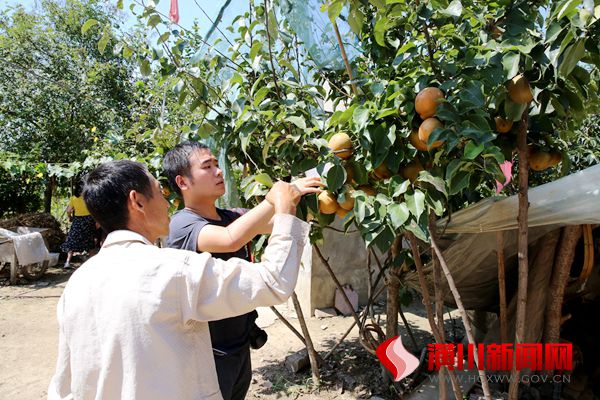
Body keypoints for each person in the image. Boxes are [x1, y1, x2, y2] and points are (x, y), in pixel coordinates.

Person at [48, 159, 313, 400]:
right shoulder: (170, 270)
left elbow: (65, 383)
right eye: (159, 193)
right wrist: (284, 208)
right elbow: (272, 282)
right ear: (137, 201)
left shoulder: (78, 282)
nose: (166, 203)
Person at [162, 142, 321, 400]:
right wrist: (276, 197)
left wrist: (297, 193)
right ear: (182, 182)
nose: (218, 171)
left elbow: (280, 222)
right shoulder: (182, 224)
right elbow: (229, 239)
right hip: (207, 352)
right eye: (207, 166)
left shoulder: (230, 216)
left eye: (217, 164)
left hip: (238, 344)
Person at [60, 180, 96, 269]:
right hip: (89, 220)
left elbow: (68, 210)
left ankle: (67, 262)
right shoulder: (89, 198)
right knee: (89, 240)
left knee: (72, 240)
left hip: (78, 220)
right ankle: (93, 263)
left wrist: (70, 218)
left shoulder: (74, 199)